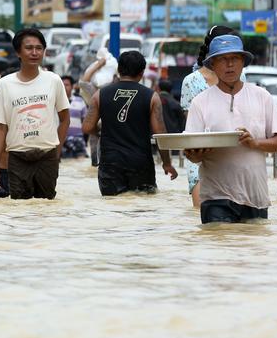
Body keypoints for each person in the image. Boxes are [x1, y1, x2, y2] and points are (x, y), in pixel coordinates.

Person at [184, 35, 277, 224]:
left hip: (255, 196)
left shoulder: (262, 96)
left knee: (253, 249)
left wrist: (255, 143)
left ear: (243, 63)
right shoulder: (200, 102)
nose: (229, 64)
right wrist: (198, 154)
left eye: (235, 59)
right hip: (215, 197)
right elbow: (191, 152)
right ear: (213, 65)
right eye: (223, 59)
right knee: (220, 246)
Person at [0, 29, 70, 200]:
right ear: (18, 52)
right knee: (20, 208)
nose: (34, 53)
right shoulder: (4, 84)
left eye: (39, 48)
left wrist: (57, 152)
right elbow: (0, 127)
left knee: (47, 208)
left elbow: (65, 119)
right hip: (17, 157)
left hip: (47, 156)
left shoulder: (54, 80)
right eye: (29, 48)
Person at [83, 51, 177, 195]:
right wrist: (167, 163)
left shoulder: (100, 95)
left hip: (110, 163)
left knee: (111, 209)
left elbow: (87, 127)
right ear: (142, 73)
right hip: (140, 162)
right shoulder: (152, 97)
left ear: (118, 70)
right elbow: (160, 134)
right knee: (141, 210)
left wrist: (99, 133)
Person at [180, 25, 241, 208]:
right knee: (202, 215)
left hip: (232, 154)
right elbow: (190, 124)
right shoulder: (190, 81)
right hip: (199, 155)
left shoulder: (240, 77)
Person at [61, 76, 88, 159]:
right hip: (62, 141)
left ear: (72, 86)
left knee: (81, 165)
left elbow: (86, 122)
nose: (64, 87)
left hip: (78, 139)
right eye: (62, 85)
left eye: (66, 85)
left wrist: (85, 140)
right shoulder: (55, 102)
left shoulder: (80, 101)